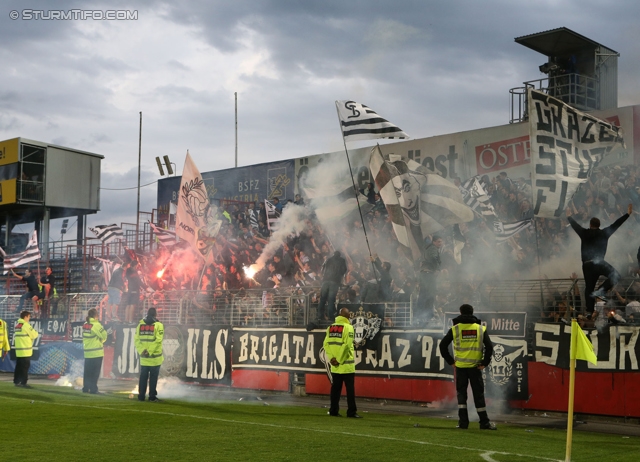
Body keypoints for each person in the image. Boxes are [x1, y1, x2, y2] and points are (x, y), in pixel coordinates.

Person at [439, 304, 496, 430]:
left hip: (460, 367)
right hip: (476, 367)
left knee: (461, 395)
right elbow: (490, 347)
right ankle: (484, 423)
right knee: (478, 395)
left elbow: (442, 346)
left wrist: (451, 361)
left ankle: (463, 423)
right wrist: (484, 363)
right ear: (472, 312)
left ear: (460, 312)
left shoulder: (455, 329)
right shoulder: (480, 329)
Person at [567, 204, 631, 314]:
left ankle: (589, 311)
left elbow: (575, 225)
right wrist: (627, 214)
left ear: (590, 224)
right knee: (616, 275)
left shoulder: (584, 233)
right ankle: (601, 290)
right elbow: (616, 224)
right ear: (599, 225)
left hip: (587, 265)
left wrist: (569, 217)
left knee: (589, 288)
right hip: (599, 263)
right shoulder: (604, 233)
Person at [323, 307, 361, 418]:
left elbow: (326, 344)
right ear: (345, 315)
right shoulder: (349, 327)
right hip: (346, 365)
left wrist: (332, 358)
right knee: (350, 390)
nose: (350, 314)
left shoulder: (330, 327)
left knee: (335, 389)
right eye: (348, 312)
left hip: (334, 365)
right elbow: (347, 345)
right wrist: (339, 359)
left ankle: (333, 410)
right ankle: (351, 412)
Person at [134, 307, 164, 402]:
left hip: (144, 358)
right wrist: (150, 351)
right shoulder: (159, 325)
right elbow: (158, 340)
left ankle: (141, 396)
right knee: (153, 379)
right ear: (155, 314)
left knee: (143, 377)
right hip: (155, 358)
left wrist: (142, 350)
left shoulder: (140, 325)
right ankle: (152, 397)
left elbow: (136, 339)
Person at [417, 236, 443, 324]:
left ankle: (421, 316)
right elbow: (433, 258)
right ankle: (429, 316)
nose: (440, 243)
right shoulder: (433, 249)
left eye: (441, 242)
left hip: (424, 275)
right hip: (428, 275)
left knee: (423, 295)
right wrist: (437, 269)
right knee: (430, 295)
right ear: (434, 242)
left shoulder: (427, 248)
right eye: (439, 242)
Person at [82, 308, 108, 394]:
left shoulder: (85, 324)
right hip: (96, 352)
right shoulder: (96, 325)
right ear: (95, 315)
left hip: (87, 352)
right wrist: (101, 341)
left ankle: (86, 388)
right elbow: (104, 336)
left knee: (87, 372)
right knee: (95, 373)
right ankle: (93, 389)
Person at [317, 251, 348, 320]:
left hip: (325, 281)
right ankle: (331, 317)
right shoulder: (342, 260)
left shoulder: (328, 259)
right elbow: (344, 270)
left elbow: (323, 269)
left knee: (322, 300)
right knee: (331, 300)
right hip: (334, 282)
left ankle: (320, 316)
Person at [13, 310, 39, 388]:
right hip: (26, 351)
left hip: (19, 351)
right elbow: (34, 335)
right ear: (25, 317)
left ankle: (16, 381)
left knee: (18, 367)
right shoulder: (26, 325)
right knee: (25, 368)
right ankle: (23, 383)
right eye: (29, 317)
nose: (29, 318)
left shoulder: (17, 325)